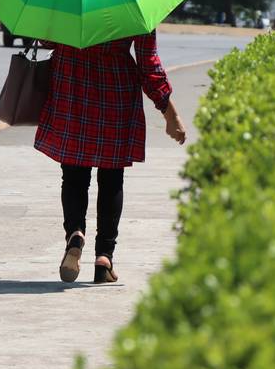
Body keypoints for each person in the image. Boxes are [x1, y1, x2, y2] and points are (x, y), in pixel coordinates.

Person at [35, 31, 186, 284]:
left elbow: (47, 38)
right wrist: (169, 113)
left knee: (73, 174)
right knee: (112, 177)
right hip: (115, 90)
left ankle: (75, 232)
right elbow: (148, 63)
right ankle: (104, 258)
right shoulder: (133, 1)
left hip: (70, 85)